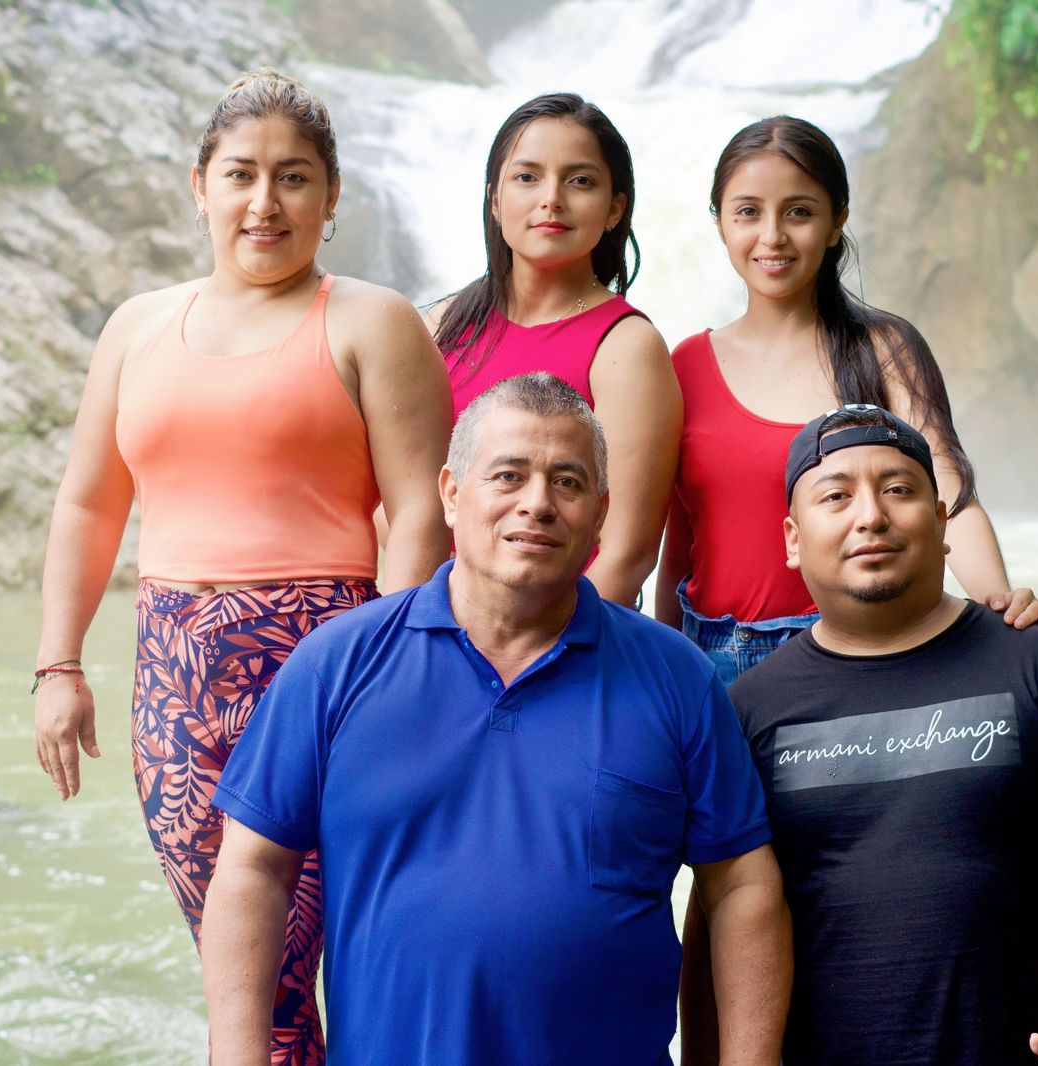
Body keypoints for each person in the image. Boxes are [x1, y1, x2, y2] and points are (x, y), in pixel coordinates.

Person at [30, 68, 452, 1062]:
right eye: (241, 175)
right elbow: (89, 504)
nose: (265, 202)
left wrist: (388, 673)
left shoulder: (371, 320)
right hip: (173, 679)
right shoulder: (137, 327)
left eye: (294, 177)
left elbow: (421, 508)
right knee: (238, 973)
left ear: (331, 196)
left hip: (327, 667)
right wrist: (58, 664)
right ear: (201, 187)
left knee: (304, 962)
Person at [201, 373, 791, 1066]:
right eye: (509, 476)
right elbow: (252, 871)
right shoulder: (338, 663)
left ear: (600, 514)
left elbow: (743, 888)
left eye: (567, 483)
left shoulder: (676, 677)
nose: (537, 504)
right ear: (452, 494)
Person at [683, 403, 1038, 1066]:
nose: (870, 516)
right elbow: (720, 911)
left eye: (898, 489)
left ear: (942, 523)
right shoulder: (746, 711)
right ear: (793, 540)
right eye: (836, 496)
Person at [655, 115, 1038, 686]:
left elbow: (949, 492)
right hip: (710, 658)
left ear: (837, 220)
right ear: (720, 223)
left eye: (798, 212)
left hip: (861, 651)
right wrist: (663, 673)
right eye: (748, 212)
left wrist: (998, 604)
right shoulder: (685, 363)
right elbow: (682, 539)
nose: (772, 236)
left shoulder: (883, 351)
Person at [430, 92, 681, 607]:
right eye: (527, 177)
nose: (552, 199)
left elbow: (627, 552)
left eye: (580, 181)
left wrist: (542, 647)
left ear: (615, 208)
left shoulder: (627, 348)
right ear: (495, 199)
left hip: (566, 636)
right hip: (438, 621)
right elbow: (401, 507)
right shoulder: (439, 327)